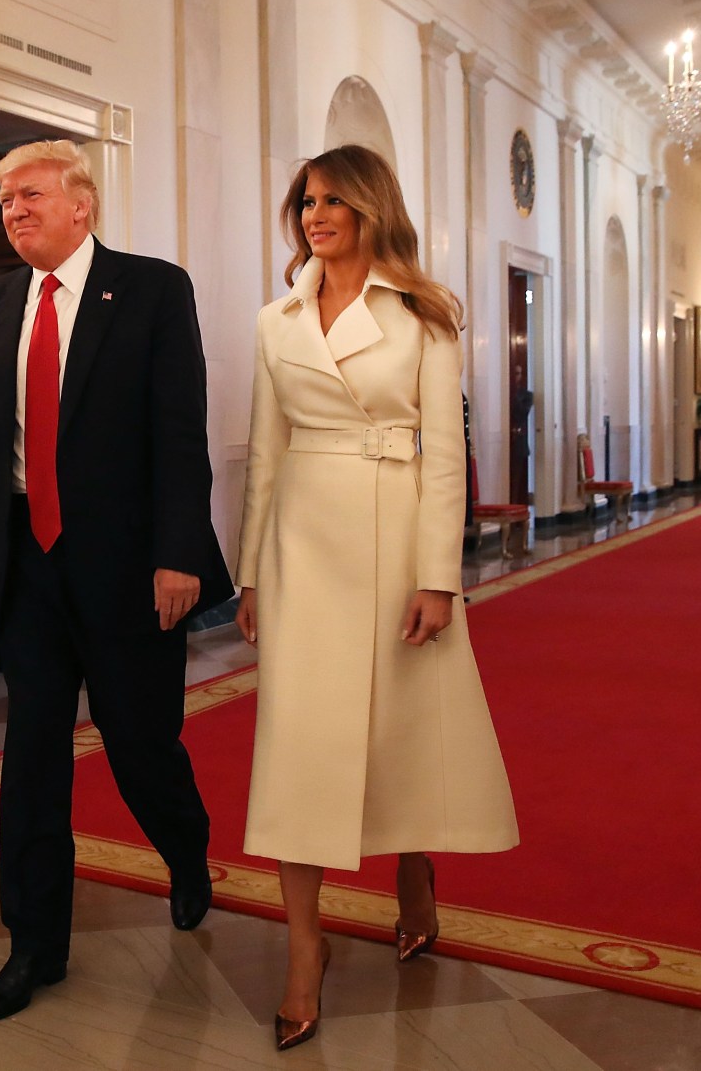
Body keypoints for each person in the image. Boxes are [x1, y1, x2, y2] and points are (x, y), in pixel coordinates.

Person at [235, 145, 519, 1051]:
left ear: (369, 207)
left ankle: (413, 863)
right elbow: (266, 453)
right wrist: (249, 571)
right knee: (299, 744)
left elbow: (445, 456)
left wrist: (441, 575)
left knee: (401, 721)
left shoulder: (424, 316)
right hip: (302, 548)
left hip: (399, 535)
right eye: (305, 202)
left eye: (331, 201)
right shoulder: (275, 321)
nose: (314, 215)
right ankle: (304, 950)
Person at [0, 140, 232, 1023]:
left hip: (129, 569)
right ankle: (33, 944)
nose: (13, 209)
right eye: (3, 198)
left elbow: (180, 432)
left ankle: (186, 850)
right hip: (29, 572)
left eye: (29, 193)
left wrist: (181, 552)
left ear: (83, 205)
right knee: (32, 757)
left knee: (140, 742)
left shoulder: (153, 289)